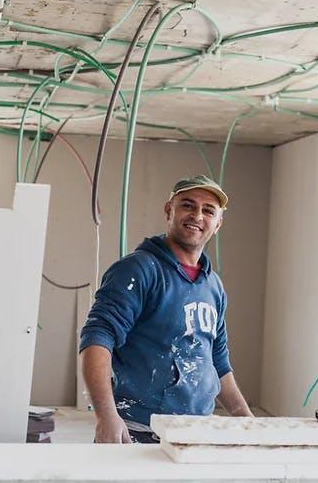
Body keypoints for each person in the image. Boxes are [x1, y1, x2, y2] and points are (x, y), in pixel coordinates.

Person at [79, 175, 253, 444]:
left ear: (218, 223)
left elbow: (217, 362)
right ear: (168, 210)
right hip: (138, 431)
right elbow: (98, 339)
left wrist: (246, 419)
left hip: (195, 433)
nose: (197, 215)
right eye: (187, 205)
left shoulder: (213, 286)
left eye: (208, 210)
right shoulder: (138, 270)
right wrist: (107, 416)